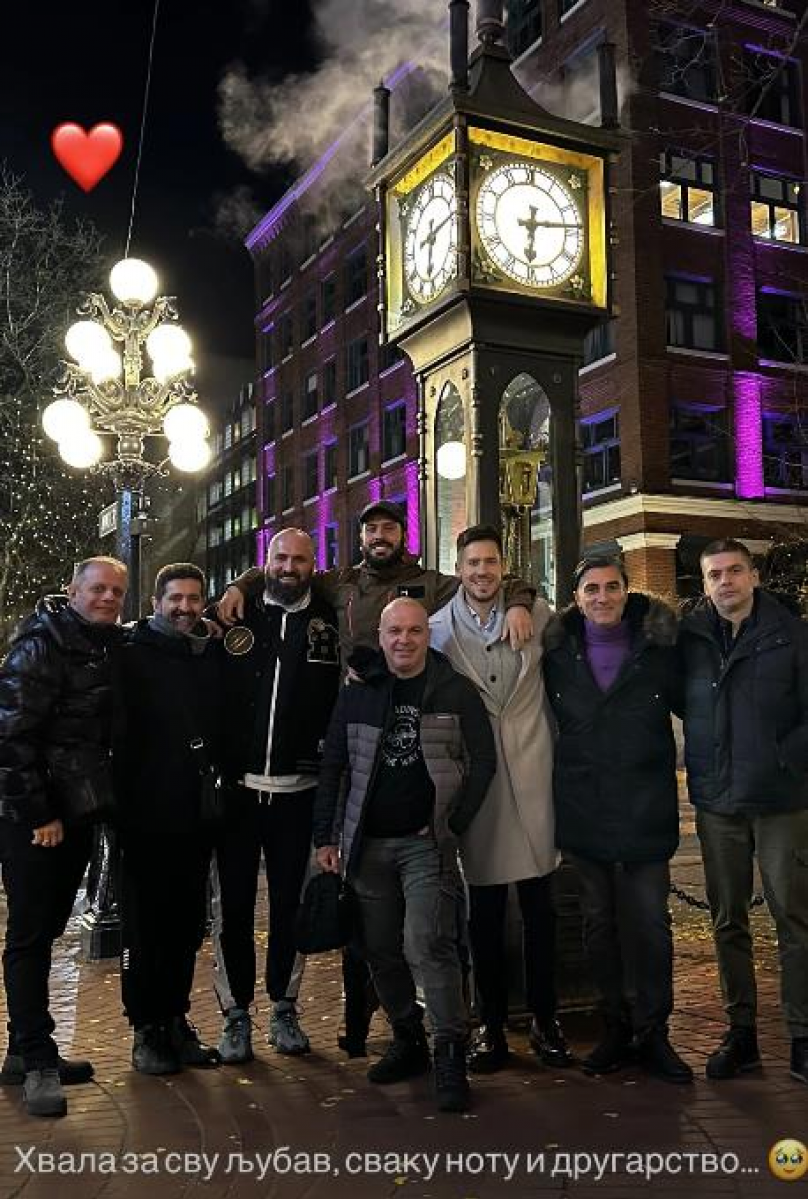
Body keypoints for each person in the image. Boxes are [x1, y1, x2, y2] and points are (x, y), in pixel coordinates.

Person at [217, 500, 535, 1055]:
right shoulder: (336, 583)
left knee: (398, 930)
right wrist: (239, 583)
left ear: (402, 534)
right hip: (339, 741)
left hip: (381, 754)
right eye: (370, 528)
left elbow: (484, 581)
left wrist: (522, 601)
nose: (379, 534)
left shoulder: (429, 584)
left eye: (389, 527)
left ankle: (417, 1036)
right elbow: (277, 572)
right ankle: (345, 1026)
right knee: (342, 923)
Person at [315, 597, 497, 1113]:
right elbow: (334, 764)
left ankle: (449, 1050)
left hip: (425, 844)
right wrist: (325, 837)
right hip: (367, 845)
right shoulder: (359, 692)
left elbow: (483, 761)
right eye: (394, 631)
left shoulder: (454, 691)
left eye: (415, 631)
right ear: (381, 635)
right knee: (379, 949)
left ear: (426, 635)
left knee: (427, 943)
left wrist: (454, 823)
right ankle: (407, 1034)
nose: (404, 640)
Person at [543, 555, 692, 1084]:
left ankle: (653, 1031)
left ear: (626, 591)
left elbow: (699, 702)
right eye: (591, 589)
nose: (602, 597)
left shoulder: (659, 645)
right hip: (583, 809)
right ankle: (614, 1025)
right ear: (576, 598)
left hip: (645, 807)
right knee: (598, 925)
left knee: (650, 924)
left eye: (611, 587)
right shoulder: (555, 651)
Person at [429, 524, 570, 1073]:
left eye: (490, 562)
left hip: (535, 776)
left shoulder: (540, 617)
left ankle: (545, 1019)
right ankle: (489, 1026)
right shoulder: (437, 632)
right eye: (472, 563)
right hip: (479, 784)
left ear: (502, 567)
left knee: (541, 910)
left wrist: (523, 599)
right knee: (482, 914)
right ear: (458, 569)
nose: (481, 571)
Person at [0, 557, 128, 1117]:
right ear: (72, 590)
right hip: (37, 818)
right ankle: (38, 1061)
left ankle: (22, 1050)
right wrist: (39, 814)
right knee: (30, 935)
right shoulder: (40, 647)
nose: (108, 598)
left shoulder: (100, 644)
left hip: (74, 811)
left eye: (117, 591)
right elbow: (10, 738)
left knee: (47, 929)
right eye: (97, 588)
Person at [679, 538, 808, 1085]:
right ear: (704, 583)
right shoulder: (690, 638)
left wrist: (787, 758)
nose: (725, 581)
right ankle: (742, 1033)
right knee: (726, 921)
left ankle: (802, 1034)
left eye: (734, 571)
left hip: (781, 800)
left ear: (753, 576)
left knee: (794, 920)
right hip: (718, 801)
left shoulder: (792, 635)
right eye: (715, 574)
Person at [212, 528, 341, 1064]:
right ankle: (235, 1014)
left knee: (291, 907)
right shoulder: (234, 616)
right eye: (280, 558)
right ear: (265, 562)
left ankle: (284, 1007)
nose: (289, 567)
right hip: (238, 793)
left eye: (300, 559)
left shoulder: (333, 620)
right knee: (233, 909)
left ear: (314, 563)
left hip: (300, 795)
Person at [116, 563, 223, 1075]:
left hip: (193, 816)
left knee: (185, 926)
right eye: (175, 599)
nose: (184, 608)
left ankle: (176, 1019)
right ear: (156, 602)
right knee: (145, 927)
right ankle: (146, 1027)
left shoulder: (208, 653)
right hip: (142, 816)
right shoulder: (129, 654)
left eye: (193, 599)